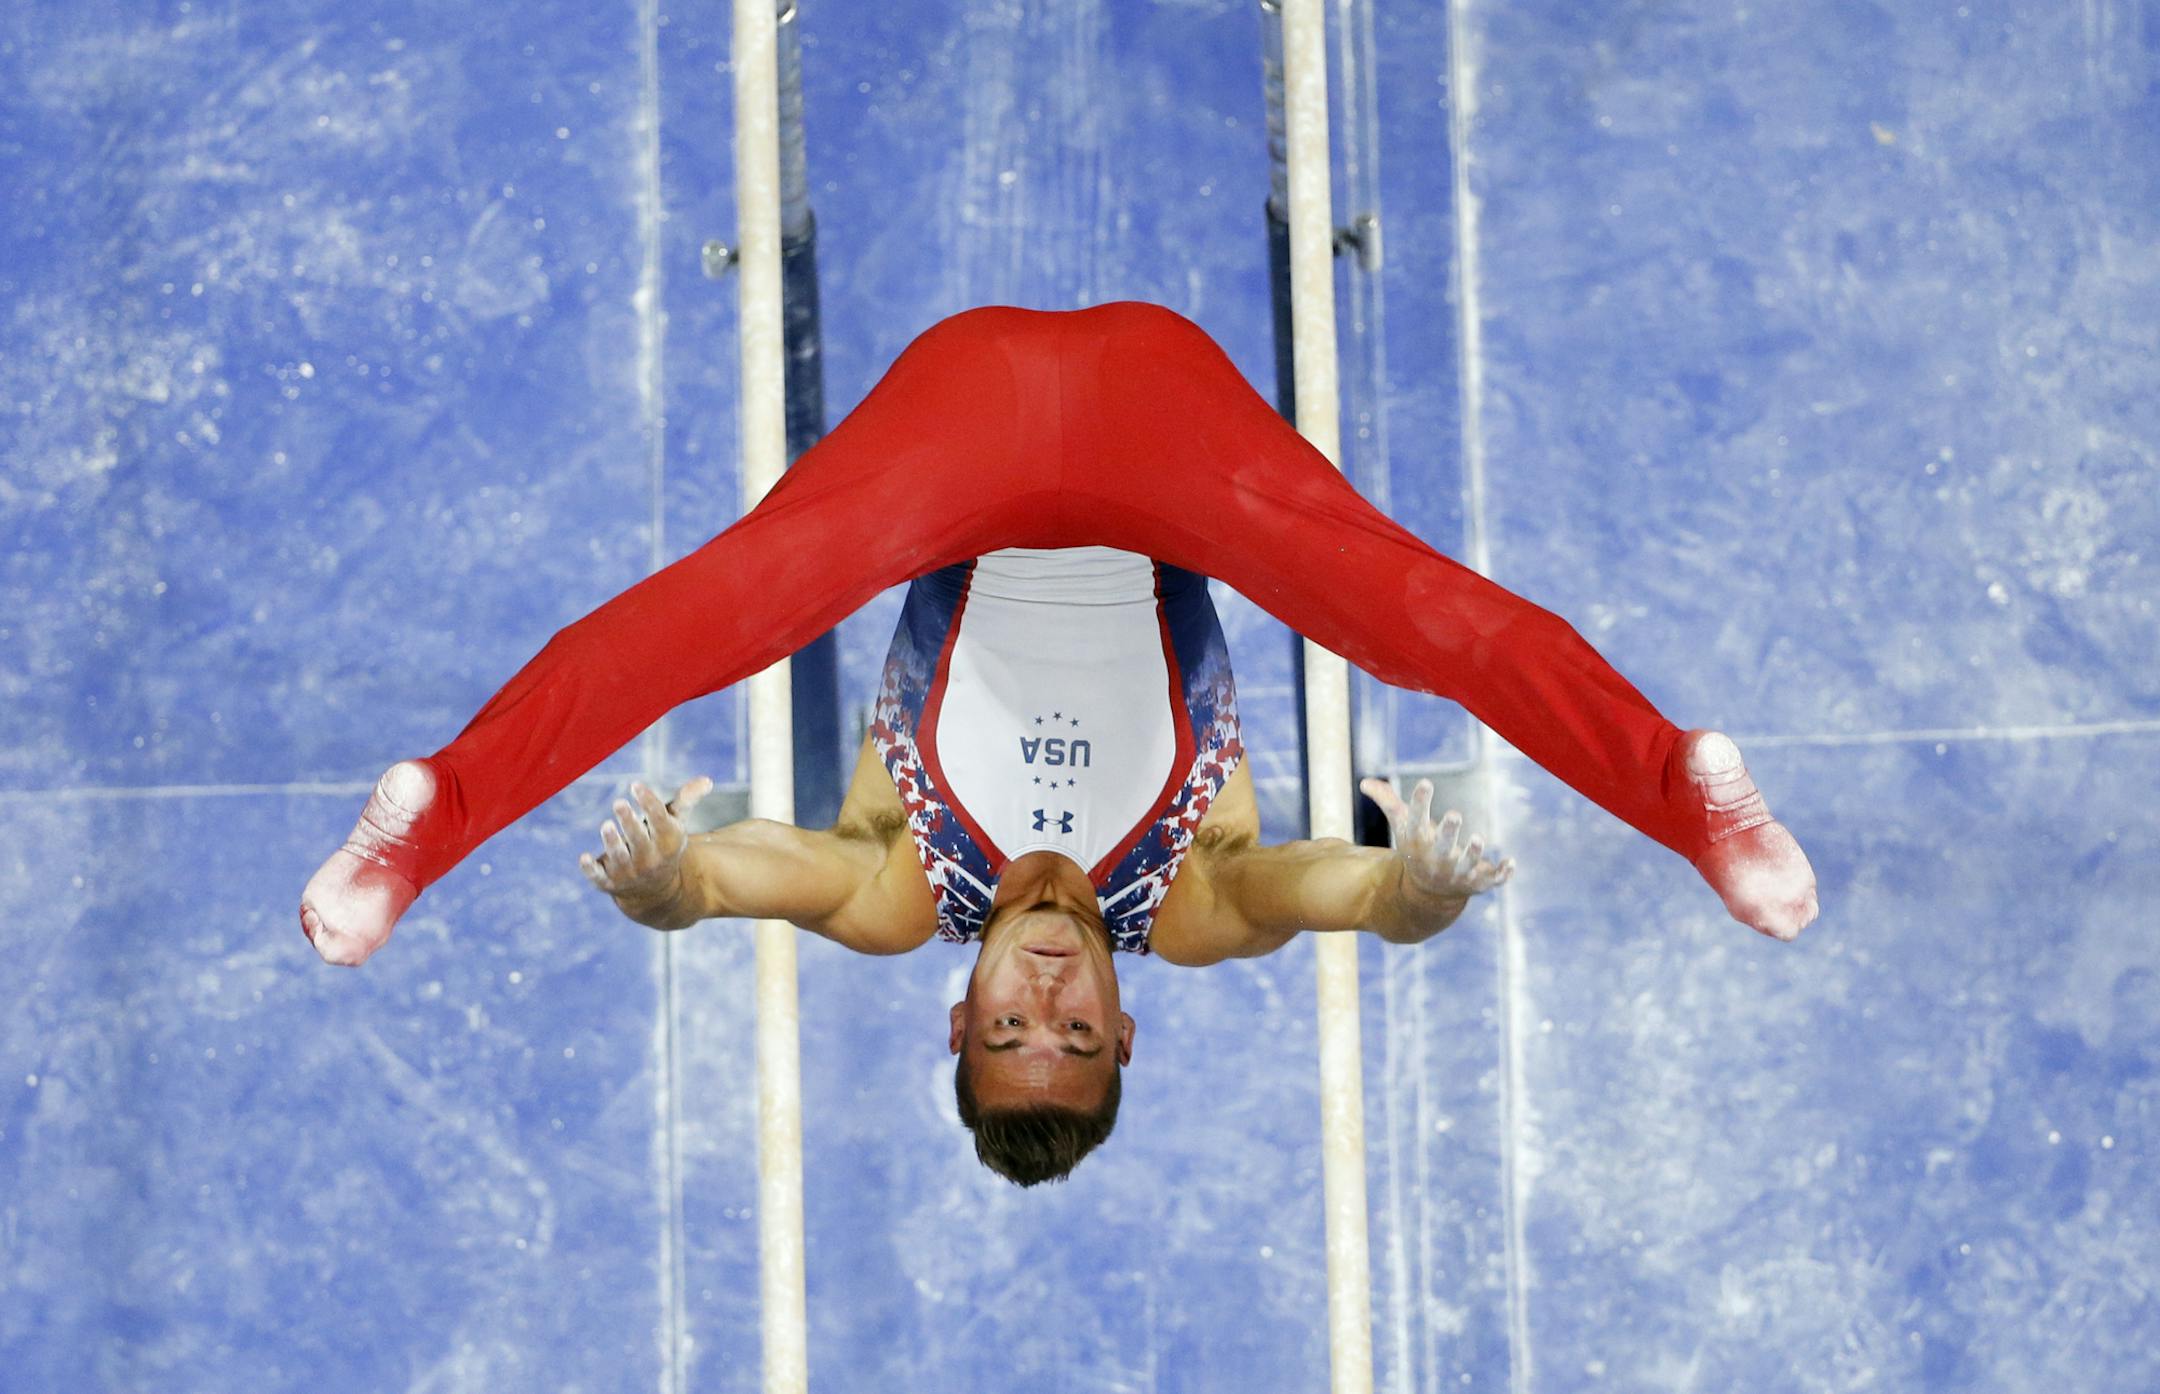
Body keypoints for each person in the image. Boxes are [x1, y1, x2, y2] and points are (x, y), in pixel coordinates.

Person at [299, 300, 1818, 1186]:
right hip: (1165, 431)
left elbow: (745, 879)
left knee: (731, 602)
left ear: (953, 1019)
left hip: (962, 433)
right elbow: (1332, 896)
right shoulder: (1193, 903)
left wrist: (669, 889)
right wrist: (1410, 899)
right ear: (1123, 1027)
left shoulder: (898, 892)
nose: (1045, 996)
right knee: (1417, 613)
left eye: (1010, 1031)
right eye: (1078, 1037)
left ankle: (427, 819)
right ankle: (1691, 796)